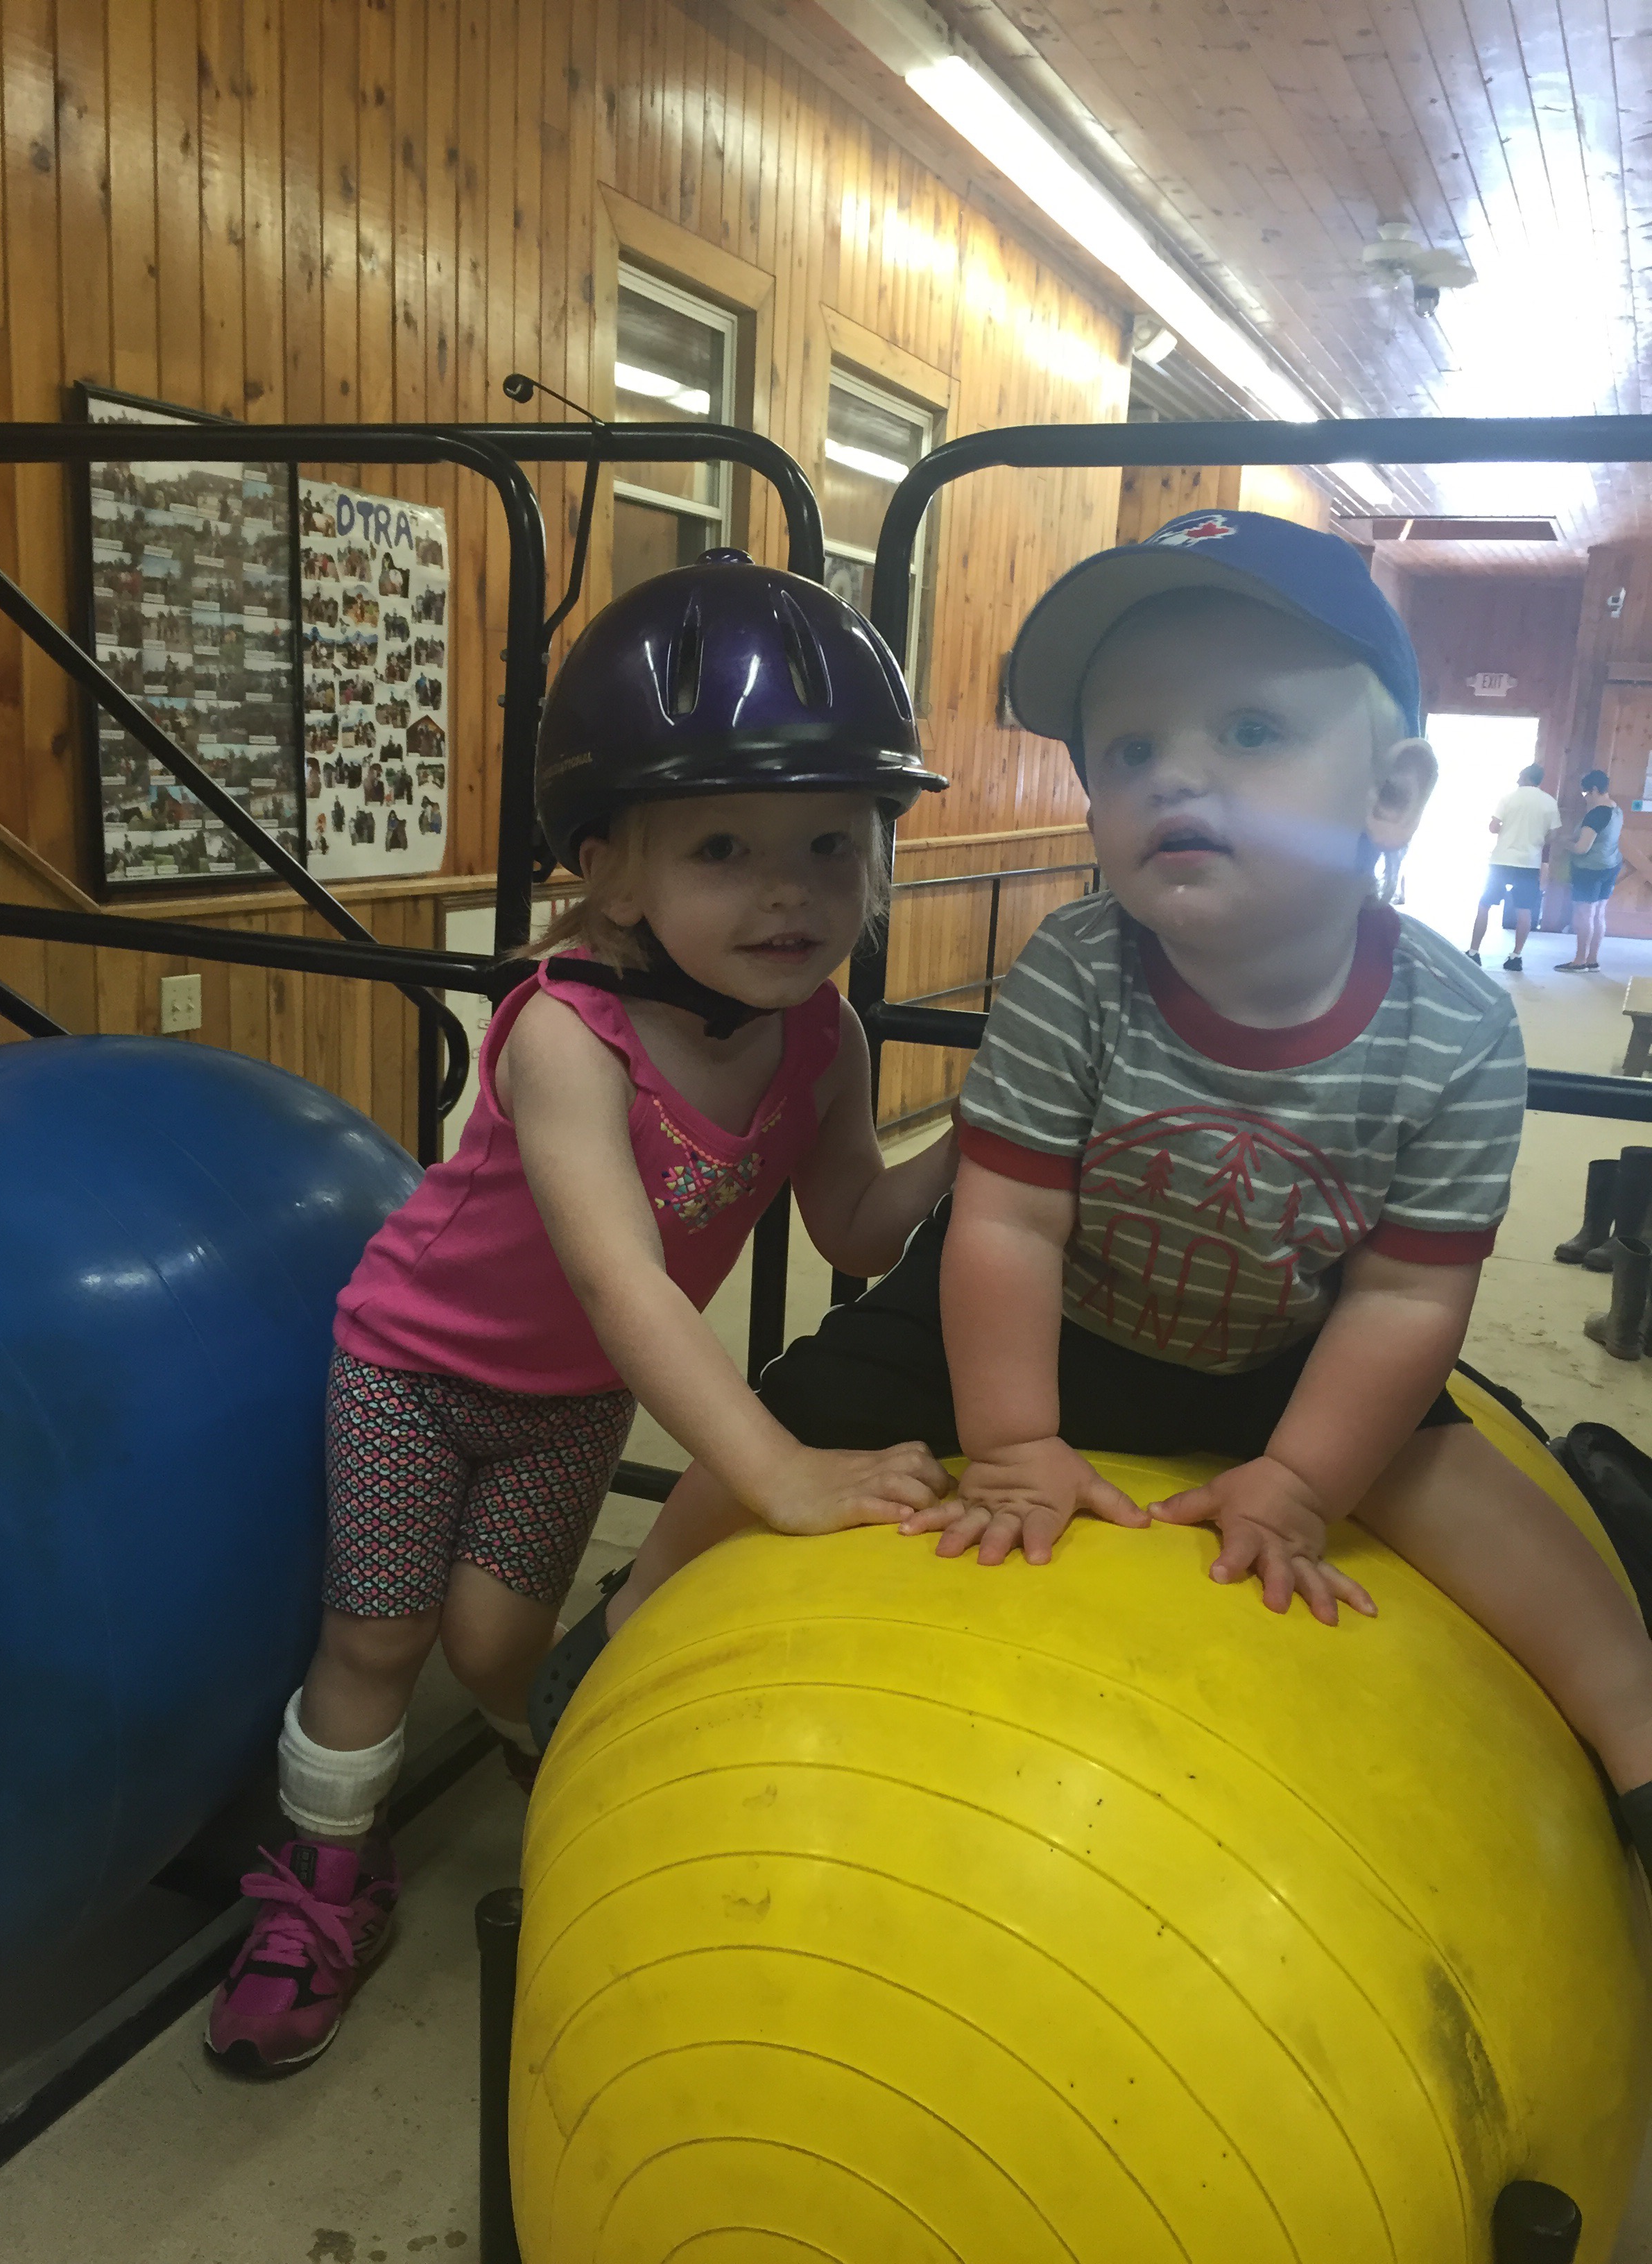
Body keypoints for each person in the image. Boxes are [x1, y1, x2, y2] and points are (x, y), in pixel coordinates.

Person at [544, 511, 1652, 1894]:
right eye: (1128, 750)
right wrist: (1012, 1441)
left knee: (1547, 1567)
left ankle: (1634, 1735)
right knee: (776, 1429)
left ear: (1391, 794)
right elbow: (1006, 1225)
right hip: (1026, 1317)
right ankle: (618, 1637)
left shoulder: (1462, 1028)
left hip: (1287, 1345)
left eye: (1251, 731)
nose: (1174, 771)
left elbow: (1405, 1292)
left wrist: (1303, 1482)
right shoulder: (1077, 966)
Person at [204, 551, 959, 2074]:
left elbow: (855, 1228)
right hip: (413, 1367)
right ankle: (320, 1889)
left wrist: (988, 1136)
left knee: (497, 1646)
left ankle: (564, 1763)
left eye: (831, 842)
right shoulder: (567, 1033)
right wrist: (774, 1468)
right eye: (725, 847)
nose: (789, 889)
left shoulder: (824, 1035)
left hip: (568, 1401)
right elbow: (623, 1285)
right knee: (380, 1638)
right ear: (613, 874)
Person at [1468, 762, 1561, 970]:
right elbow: (1554, 835)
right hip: (1529, 862)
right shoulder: (1549, 802)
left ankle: (1474, 952)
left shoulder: (1508, 798)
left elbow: (1493, 827)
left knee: (1485, 905)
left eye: (1520, 777)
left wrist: (1506, 829)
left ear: (1526, 778)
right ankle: (1516, 957)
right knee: (1524, 910)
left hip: (1502, 860)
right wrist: (1537, 839)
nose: (1517, 780)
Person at [1556, 769, 1622, 973]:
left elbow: (1582, 848)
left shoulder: (1596, 814)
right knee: (1599, 914)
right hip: (1611, 865)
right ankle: (1592, 960)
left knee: (1584, 914)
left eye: (1586, 793)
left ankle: (1579, 961)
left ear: (1594, 790)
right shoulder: (1616, 809)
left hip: (1589, 869)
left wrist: (1565, 843)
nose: (1585, 798)